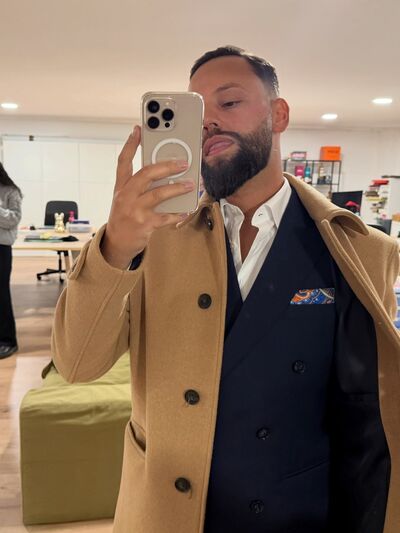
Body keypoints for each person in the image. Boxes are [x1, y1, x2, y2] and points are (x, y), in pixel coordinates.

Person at [52, 46, 400, 533]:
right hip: (173, 512)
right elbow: (77, 363)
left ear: (279, 114)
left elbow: (367, 409)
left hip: (306, 512)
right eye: (194, 113)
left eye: (229, 102)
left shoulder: (364, 250)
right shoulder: (152, 240)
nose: (208, 122)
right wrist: (115, 247)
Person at [0, 162, 22, 359]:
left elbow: (14, 219)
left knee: (1, 294)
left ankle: (8, 341)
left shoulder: (10, 191)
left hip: (1, 247)